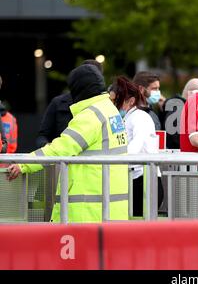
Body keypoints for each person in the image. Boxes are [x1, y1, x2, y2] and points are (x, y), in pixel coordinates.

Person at [7, 64, 129, 223]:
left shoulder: (90, 116)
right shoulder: (110, 111)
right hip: (112, 210)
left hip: (88, 213)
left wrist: (24, 165)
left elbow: (61, 148)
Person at [111, 76, 163, 215]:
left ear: (131, 101)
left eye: (118, 102)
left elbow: (136, 146)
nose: (116, 105)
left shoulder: (140, 117)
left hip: (144, 181)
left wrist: (115, 158)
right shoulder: (129, 117)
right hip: (137, 179)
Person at [36, 59, 103, 148]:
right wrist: (49, 148)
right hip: (60, 158)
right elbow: (42, 136)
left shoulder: (104, 105)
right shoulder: (58, 103)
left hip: (88, 160)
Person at [162, 78, 198, 149]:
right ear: (192, 93)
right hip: (178, 156)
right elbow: (174, 138)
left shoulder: (179, 107)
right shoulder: (178, 109)